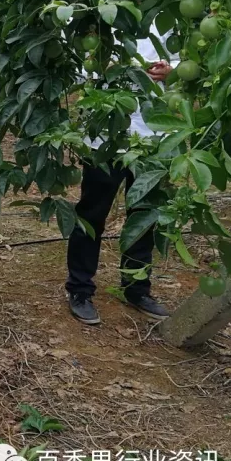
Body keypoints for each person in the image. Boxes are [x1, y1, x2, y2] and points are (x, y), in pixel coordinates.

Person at [66, 29, 175, 325]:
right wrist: (104, 65)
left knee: (145, 216)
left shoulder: (165, 19)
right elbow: (76, 69)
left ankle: (136, 288)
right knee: (92, 214)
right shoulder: (99, 23)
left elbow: (183, 62)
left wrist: (170, 71)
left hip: (154, 136)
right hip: (104, 138)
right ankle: (79, 289)